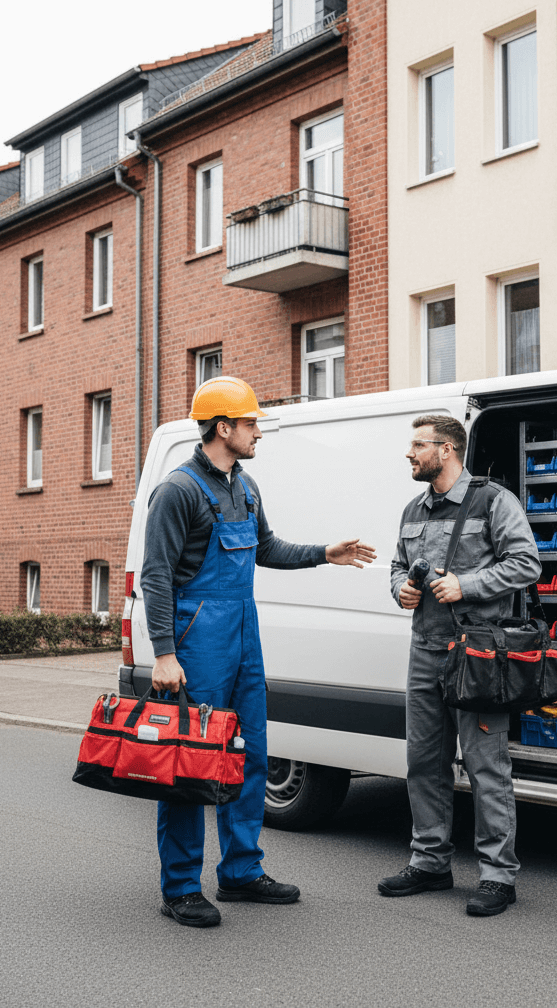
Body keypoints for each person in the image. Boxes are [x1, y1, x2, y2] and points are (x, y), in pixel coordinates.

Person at [141, 376, 376, 928]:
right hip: (196, 637)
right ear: (223, 427)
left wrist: (324, 553)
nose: (258, 434)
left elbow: (265, 547)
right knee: (190, 762)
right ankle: (179, 887)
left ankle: (241, 872)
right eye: (251, 424)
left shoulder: (244, 486)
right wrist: (163, 653)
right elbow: (155, 577)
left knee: (249, 754)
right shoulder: (177, 490)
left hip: (243, 636)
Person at [381, 414, 540, 916]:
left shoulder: (494, 501)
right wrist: (400, 588)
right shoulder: (413, 508)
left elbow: (526, 563)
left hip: (478, 654)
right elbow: (396, 565)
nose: (409, 453)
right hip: (425, 651)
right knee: (423, 762)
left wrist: (466, 585)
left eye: (418, 444)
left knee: (485, 766)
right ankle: (430, 862)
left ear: (447, 449)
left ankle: (497, 877)